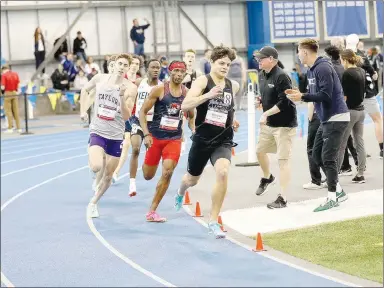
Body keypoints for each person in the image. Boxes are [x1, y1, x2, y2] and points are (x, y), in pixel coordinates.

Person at [174, 45, 240, 239]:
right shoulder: (203, 81)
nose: (225, 67)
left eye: (228, 64)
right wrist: (208, 95)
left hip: (223, 139)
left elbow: (228, 108)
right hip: (203, 139)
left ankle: (213, 220)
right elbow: (185, 105)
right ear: (212, 62)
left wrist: (233, 120)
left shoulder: (232, 85)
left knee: (223, 171)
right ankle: (180, 191)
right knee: (191, 180)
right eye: (221, 63)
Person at [286, 38, 349, 212]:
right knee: (316, 154)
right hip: (325, 118)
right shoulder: (312, 70)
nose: (298, 55)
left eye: (299, 51)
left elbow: (326, 95)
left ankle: (332, 198)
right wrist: (302, 95)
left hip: (336, 117)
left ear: (305, 52)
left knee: (328, 157)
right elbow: (315, 94)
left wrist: (303, 96)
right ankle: (339, 191)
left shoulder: (322, 67)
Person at [82, 54, 137, 218]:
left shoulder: (131, 88)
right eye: (119, 63)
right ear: (113, 65)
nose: (121, 67)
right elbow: (85, 90)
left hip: (116, 135)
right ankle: (92, 162)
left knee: (108, 175)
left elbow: (127, 116)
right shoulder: (100, 79)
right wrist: (83, 110)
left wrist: (121, 96)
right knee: (97, 166)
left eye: (125, 65)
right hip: (98, 130)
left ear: (128, 68)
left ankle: (93, 203)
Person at [139, 60, 194, 223]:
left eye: (181, 72)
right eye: (175, 71)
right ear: (170, 72)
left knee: (168, 171)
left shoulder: (187, 93)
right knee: (148, 175)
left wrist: (193, 127)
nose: (178, 74)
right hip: (155, 138)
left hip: (174, 139)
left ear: (185, 74)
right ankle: (148, 163)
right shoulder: (159, 90)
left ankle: (152, 211)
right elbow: (142, 112)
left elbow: (192, 114)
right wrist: (146, 134)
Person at [252, 46, 298, 209]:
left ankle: (283, 198)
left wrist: (265, 114)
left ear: (271, 59)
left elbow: (284, 102)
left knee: (282, 161)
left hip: (284, 125)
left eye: (261, 58)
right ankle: (267, 178)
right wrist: (260, 101)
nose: (258, 60)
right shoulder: (261, 74)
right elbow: (266, 94)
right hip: (269, 123)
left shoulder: (282, 76)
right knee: (259, 151)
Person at [114, 59, 161, 194]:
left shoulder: (162, 86)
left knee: (151, 153)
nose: (156, 70)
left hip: (153, 123)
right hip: (137, 121)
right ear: (147, 69)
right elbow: (126, 87)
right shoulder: (140, 83)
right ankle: (132, 184)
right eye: (153, 67)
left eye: (158, 67)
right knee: (135, 148)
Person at [346, 34, 382, 158]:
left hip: (351, 95)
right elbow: (373, 72)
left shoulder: (344, 55)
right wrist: (373, 75)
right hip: (367, 92)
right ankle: (382, 149)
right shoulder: (361, 54)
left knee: (355, 125)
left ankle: (358, 152)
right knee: (377, 120)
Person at [337, 49, 367, 183]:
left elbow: (344, 96)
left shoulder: (347, 73)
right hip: (361, 111)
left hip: (350, 112)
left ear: (345, 59)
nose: (340, 63)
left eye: (341, 60)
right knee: (359, 142)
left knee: (341, 144)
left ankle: (334, 176)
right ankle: (360, 173)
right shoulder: (361, 71)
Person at [112, 55, 142, 182]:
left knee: (127, 144)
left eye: (137, 64)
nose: (135, 65)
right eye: (133, 63)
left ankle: (116, 172)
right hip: (117, 115)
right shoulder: (120, 78)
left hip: (132, 118)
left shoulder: (140, 82)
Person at [1, 64, 21, 133]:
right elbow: (18, 84)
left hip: (7, 93)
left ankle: (10, 128)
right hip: (15, 93)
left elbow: (3, 87)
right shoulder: (15, 74)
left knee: (8, 111)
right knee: (16, 111)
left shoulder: (4, 75)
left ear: (3, 70)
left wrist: (2, 92)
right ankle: (19, 128)